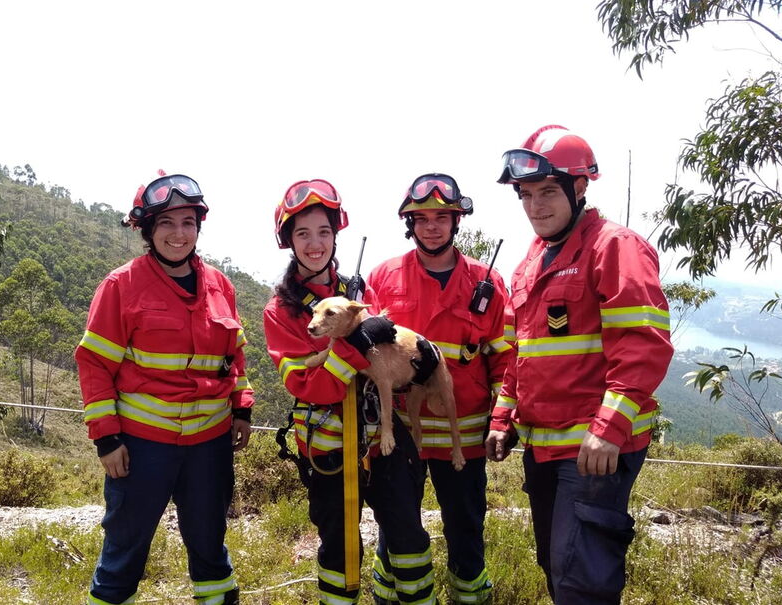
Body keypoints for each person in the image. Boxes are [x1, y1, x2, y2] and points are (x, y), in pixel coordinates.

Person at [486, 126, 673, 604]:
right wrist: (503, 418)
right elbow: (521, 356)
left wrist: (610, 427)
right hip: (544, 449)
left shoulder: (614, 247)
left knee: (581, 580)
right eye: (526, 195)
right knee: (555, 566)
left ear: (580, 187)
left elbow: (643, 345)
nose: (535, 207)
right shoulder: (530, 261)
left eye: (547, 192)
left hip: (594, 450)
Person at [75, 171, 255, 605]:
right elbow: (95, 364)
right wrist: (108, 438)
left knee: (210, 547)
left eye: (188, 222)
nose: (179, 234)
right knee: (124, 552)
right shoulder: (121, 286)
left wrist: (242, 407)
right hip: (141, 448)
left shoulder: (220, 286)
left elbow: (234, 354)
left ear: (199, 226)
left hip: (209, 446)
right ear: (147, 230)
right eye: (167, 224)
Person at [262, 179, 437, 605]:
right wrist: (356, 344)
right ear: (290, 241)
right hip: (329, 452)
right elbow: (312, 386)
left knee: (409, 540)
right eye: (302, 233)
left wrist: (420, 363)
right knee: (340, 553)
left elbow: (387, 357)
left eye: (323, 231)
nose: (314, 243)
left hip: (382, 442)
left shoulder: (359, 294)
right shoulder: (281, 311)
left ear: (335, 234)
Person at [367, 174, 512, 605]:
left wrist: (502, 419)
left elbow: (507, 360)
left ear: (456, 222)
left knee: (466, 528)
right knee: (396, 527)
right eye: (422, 218)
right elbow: (368, 358)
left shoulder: (488, 283)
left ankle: (470, 596)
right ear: (410, 224)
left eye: (442, 218)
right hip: (401, 433)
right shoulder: (383, 276)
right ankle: (388, 598)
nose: (432, 227)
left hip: (461, 435)